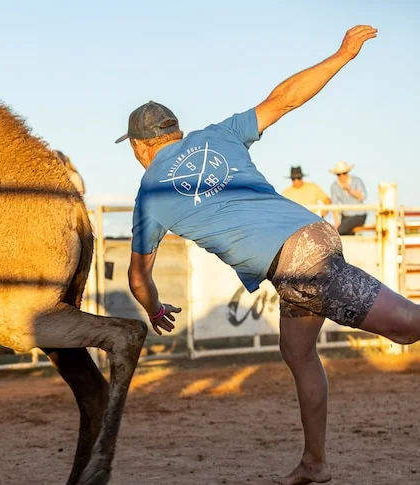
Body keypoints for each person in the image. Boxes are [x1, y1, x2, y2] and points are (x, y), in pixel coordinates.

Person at [117, 26, 419, 485]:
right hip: (307, 244)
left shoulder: (150, 194)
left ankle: (316, 461)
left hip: (299, 264)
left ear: (140, 147)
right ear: (176, 131)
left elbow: (139, 277)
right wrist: (342, 55)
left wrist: (154, 308)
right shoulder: (217, 135)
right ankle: (315, 463)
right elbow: (285, 98)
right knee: (297, 350)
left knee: (406, 328)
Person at [329, 161, 368, 235]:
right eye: (339, 174)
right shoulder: (334, 186)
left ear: (348, 172)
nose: (342, 176)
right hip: (345, 216)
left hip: (359, 214)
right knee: (341, 231)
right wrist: (337, 221)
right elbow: (334, 205)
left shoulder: (357, 180)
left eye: (344, 173)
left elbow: (363, 196)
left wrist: (350, 190)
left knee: (341, 230)